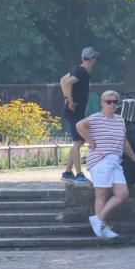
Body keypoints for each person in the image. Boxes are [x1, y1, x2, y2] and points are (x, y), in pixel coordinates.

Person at [76, 90, 135, 238]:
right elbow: (79, 125)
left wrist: (134, 158)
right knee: (102, 194)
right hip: (100, 160)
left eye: (115, 101)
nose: (112, 104)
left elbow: (124, 141)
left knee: (122, 194)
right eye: (109, 101)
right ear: (102, 103)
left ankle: (99, 220)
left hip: (115, 161)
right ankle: (103, 228)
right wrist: (90, 141)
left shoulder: (120, 120)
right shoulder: (95, 118)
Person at [59, 47, 99, 184]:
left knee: (80, 141)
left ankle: (68, 172)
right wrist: (69, 101)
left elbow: (62, 79)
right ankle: (79, 174)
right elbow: (67, 82)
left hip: (76, 110)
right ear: (92, 59)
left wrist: (66, 98)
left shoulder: (79, 70)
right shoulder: (82, 71)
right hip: (73, 110)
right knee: (77, 142)